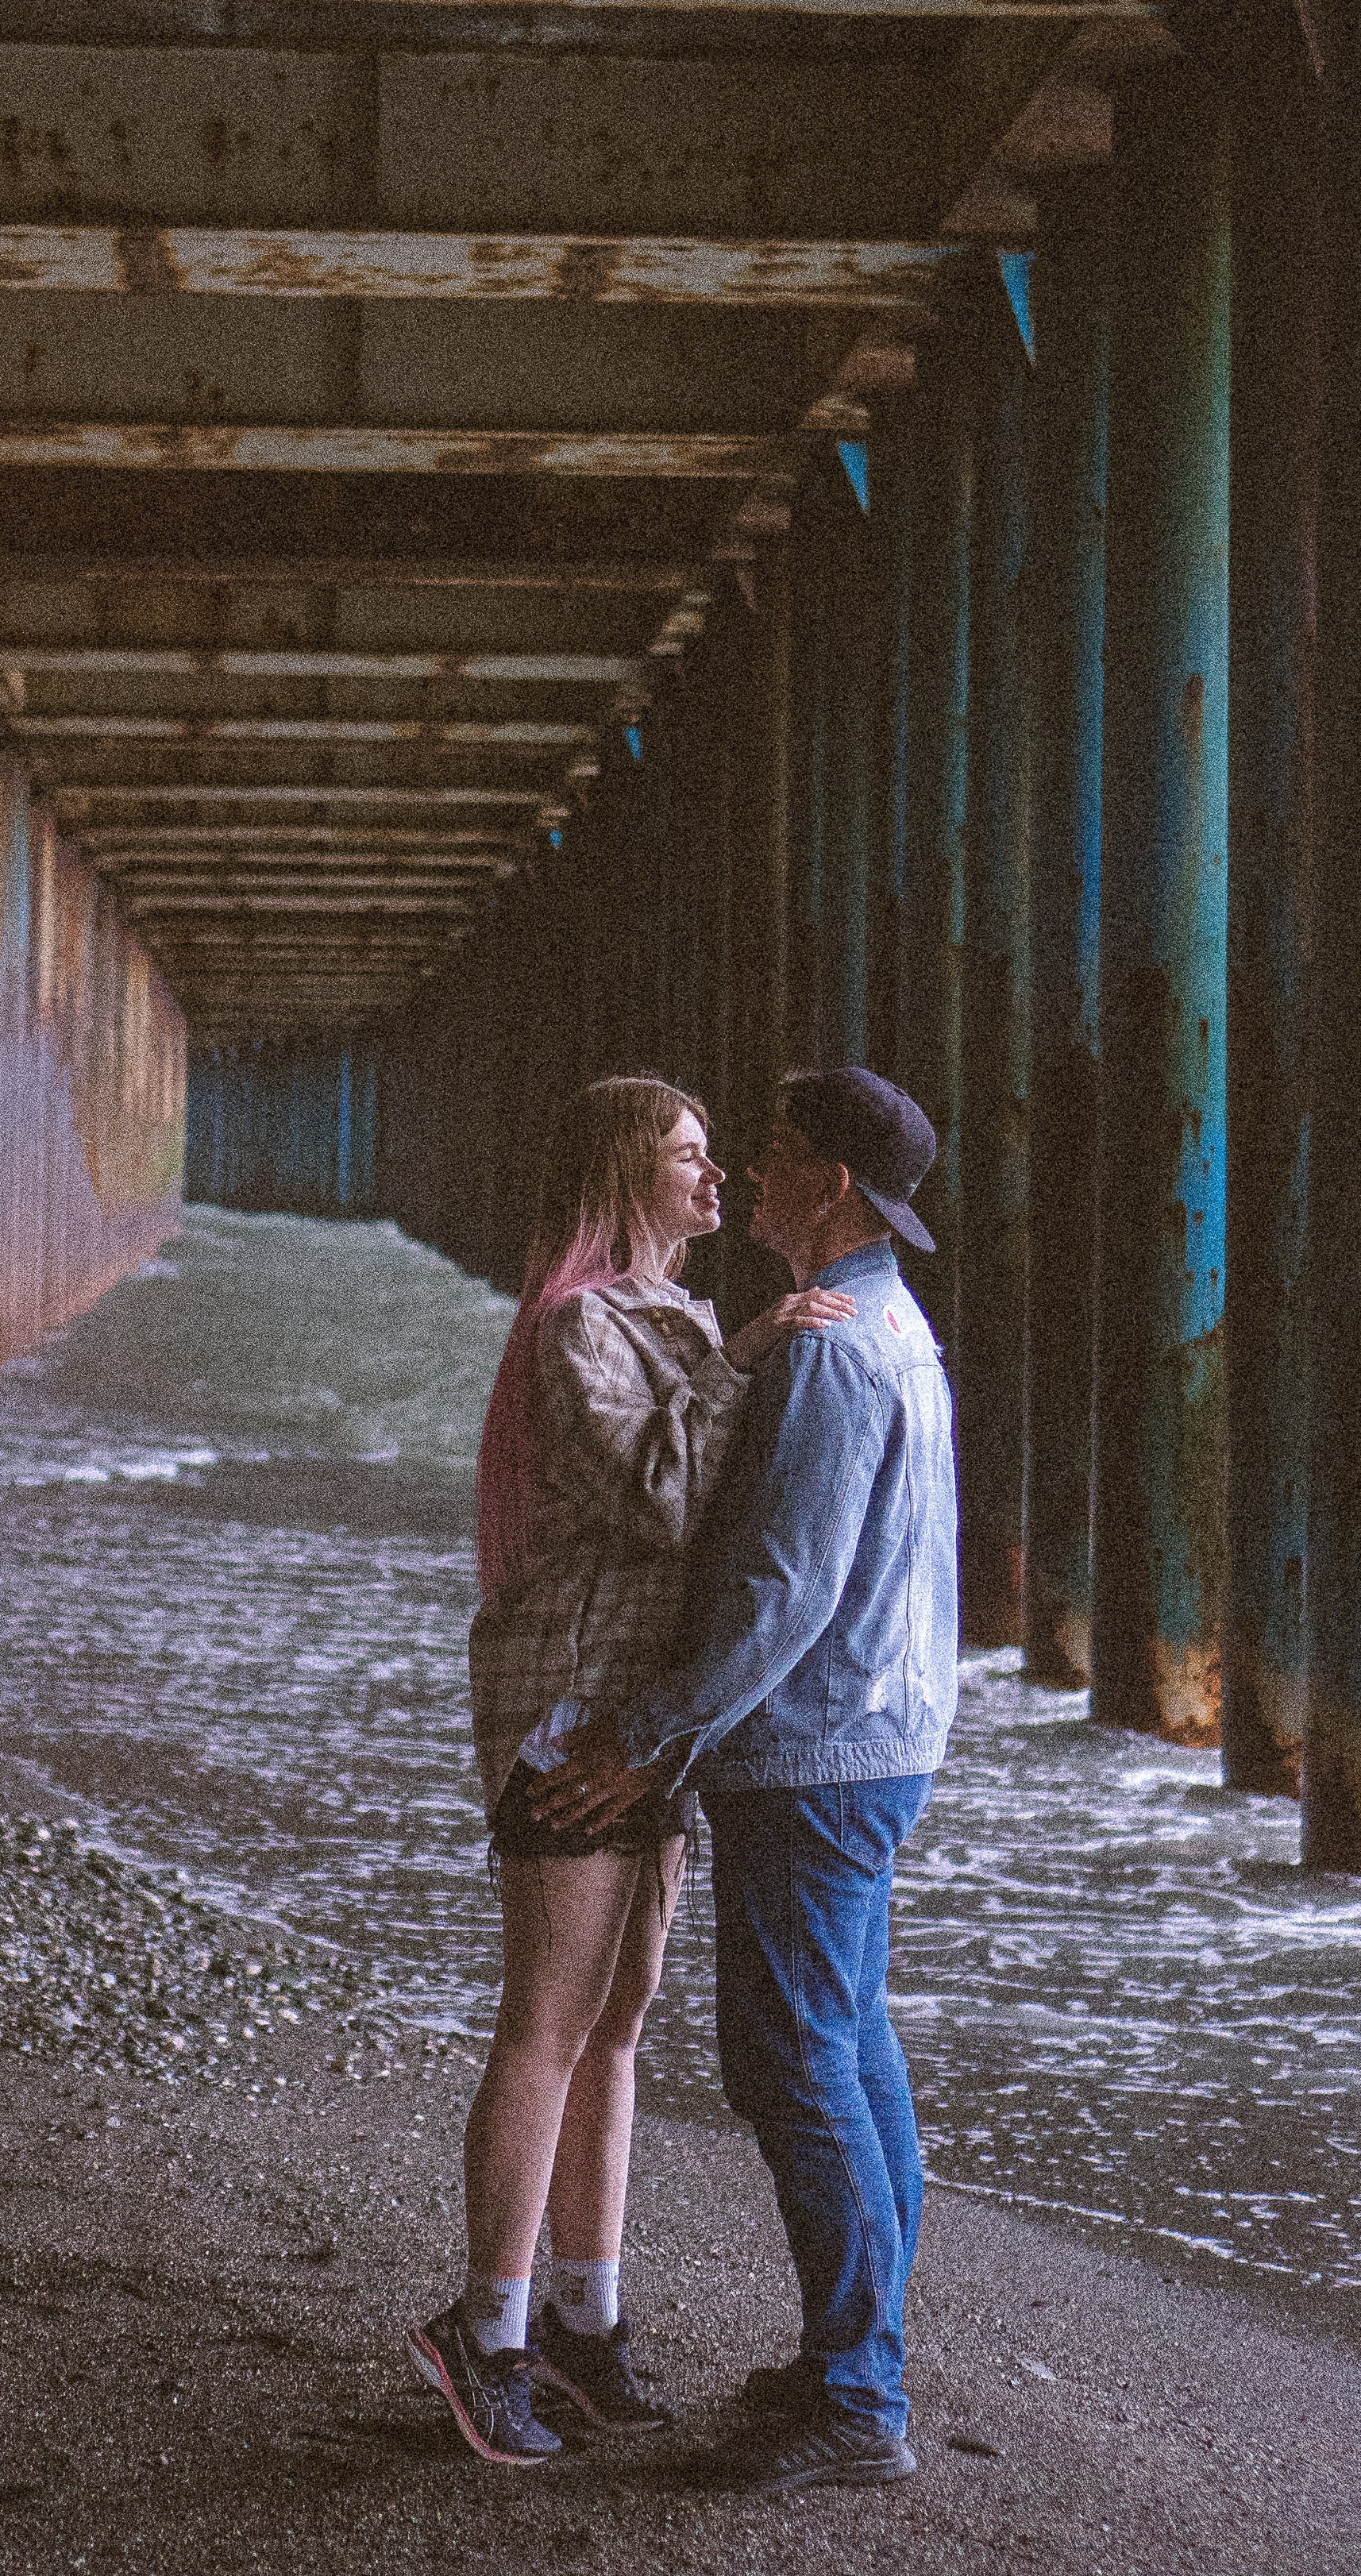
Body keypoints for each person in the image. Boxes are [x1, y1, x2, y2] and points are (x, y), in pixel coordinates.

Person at [407, 1074, 856, 2468]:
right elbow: (664, 1499)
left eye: (720, 1158)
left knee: (618, 2024)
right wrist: (754, 1356)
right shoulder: (576, 1324)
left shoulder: (675, 1314)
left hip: (650, 1721)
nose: (715, 1181)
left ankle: (586, 2322)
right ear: (626, 1173)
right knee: (548, 2020)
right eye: (688, 1158)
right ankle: (484, 2335)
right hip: (568, 1716)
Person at [538, 1065, 958, 2497]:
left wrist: (646, 1732)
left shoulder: (832, 1354)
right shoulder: (896, 1327)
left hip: (817, 1756)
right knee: (853, 2045)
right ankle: (867, 2356)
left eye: (770, 1156)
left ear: (830, 1184)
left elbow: (783, 1594)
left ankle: (860, 2394)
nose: (748, 1179)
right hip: (887, 1735)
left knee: (791, 2061)